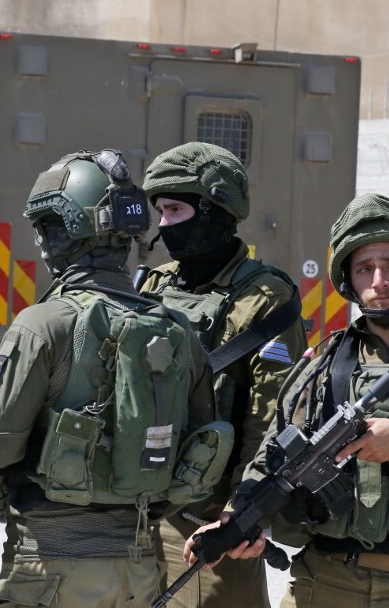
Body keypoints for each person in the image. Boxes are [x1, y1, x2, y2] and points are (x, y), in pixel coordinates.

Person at [0, 150, 218, 606]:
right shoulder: (177, 329)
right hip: (139, 569)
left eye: (46, 228)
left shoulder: (44, 323)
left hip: (49, 566)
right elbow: (196, 445)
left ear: (63, 231)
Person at [187, 193, 389, 607]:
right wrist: (237, 520)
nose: (379, 282)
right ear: (349, 279)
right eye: (365, 269)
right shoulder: (324, 363)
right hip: (326, 584)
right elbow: (273, 455)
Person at [139, 142, 307, 607]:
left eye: (175, 209)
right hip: (137, 513)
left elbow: (270, 419)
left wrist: (241, 516)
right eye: (160, 211)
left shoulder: (264, 297)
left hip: (208, 525)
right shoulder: (154, 286)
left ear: (214, 210)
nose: (163, 224)